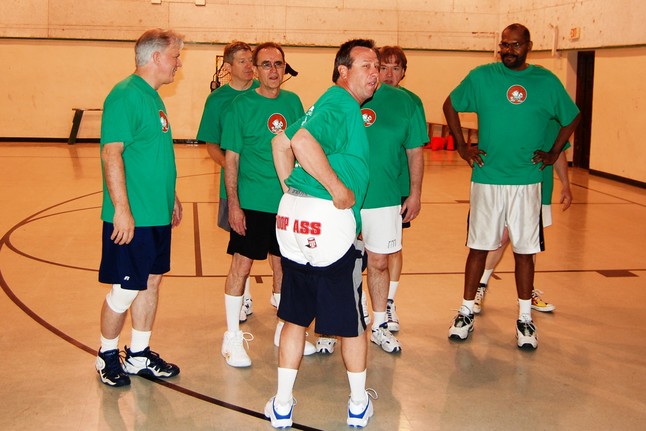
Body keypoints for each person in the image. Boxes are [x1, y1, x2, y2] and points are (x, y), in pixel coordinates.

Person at [265, 38, 380, 428]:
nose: (375, 73)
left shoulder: (323, 102)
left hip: (293, 219)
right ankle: (358, 404)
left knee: (295, 318)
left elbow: (279, 143)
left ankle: (282, 405)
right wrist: (336, 189)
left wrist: (290, 190)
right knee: (352, 322)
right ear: (342, 71)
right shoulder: (341, 103)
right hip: (328, 218)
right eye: (366, 65)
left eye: (377, 66)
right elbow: (299, 141)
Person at [443, 23, 580, 349]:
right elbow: (450, 104)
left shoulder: (545, 81)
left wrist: (553, 152)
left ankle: (525, 319)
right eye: (504, 44)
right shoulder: (482, 76)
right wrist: (462, 146)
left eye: (515, 45)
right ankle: (465, 312)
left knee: (525, 252)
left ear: (528, 46)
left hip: (527, 182)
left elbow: (572, 116)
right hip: (487, 179)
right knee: (478, 247)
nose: (508, 50)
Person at [95, 28, 184, 387]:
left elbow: (152, 154)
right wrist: (121, 209)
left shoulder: (153, 97)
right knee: (126, 289)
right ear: (156, 57)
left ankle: (138, 354)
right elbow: (111, 153)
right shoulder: (125, 95)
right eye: (175, 56)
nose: (179, 64)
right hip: (133, 217)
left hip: (155, 213)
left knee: (151, 282)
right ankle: (106, 355)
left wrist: (171, 197)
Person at [219, 42, 311, 368]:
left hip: (286, 202)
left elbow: (301, 149)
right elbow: (231, 159)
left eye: (279, 64)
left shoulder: (293, 102)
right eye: (267, 64)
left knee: (284, 266)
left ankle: (284, 330)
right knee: (241, 266)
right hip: (252, 202)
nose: (274, 70)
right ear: (255, 70)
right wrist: (234, 205)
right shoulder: (239, 106)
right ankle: (232, 337)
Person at [474, 128, 572, 314]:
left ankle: (527, 293)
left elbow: (558, 154)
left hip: (538, 191)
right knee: (501, 238)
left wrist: (565, 185)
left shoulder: (554, 121)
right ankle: (480, 286)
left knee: (529, 244)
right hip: (507, 186)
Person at [196, 41, 258, 323]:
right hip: (235, 187)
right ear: (228, 66)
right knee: (241, 243)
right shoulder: (218, 100)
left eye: (251, 60)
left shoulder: (265, 93)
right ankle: (243, 295)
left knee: (273, 244)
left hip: (266, 187)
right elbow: (211, 145)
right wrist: (232, 167)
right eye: (242, 61)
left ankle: (277, 296)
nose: (249, 66)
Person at [378, 45, 429, 333]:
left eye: (395, 68)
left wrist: (415, 193)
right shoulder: (363, 96)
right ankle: (361, 300)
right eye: (383, 67)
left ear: (403, 72)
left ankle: (388, 302)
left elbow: (416, 150)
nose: (388, 74)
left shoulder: (412, 102)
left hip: (396, 188)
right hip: (365, 188)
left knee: (392, 246)